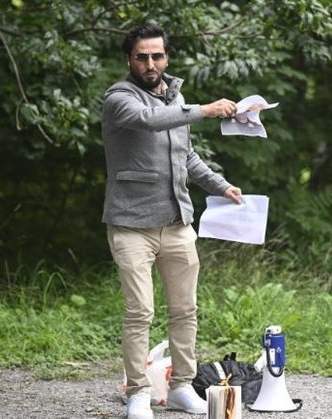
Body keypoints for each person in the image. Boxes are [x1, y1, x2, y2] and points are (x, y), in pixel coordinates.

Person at [101, 23, 243, 419]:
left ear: (166, 57)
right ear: (129, 59)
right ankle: (138, 393)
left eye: (157, 56)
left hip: (178, 222)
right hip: (131, 225)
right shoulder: (118, 98)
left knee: (185, 310)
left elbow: (186, 156)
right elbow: (147, 119)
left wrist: (221, 186)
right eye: (142, 57)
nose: (150, 63)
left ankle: (181, 386)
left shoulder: (174, 97)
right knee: (139, 313)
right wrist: (205, 110)